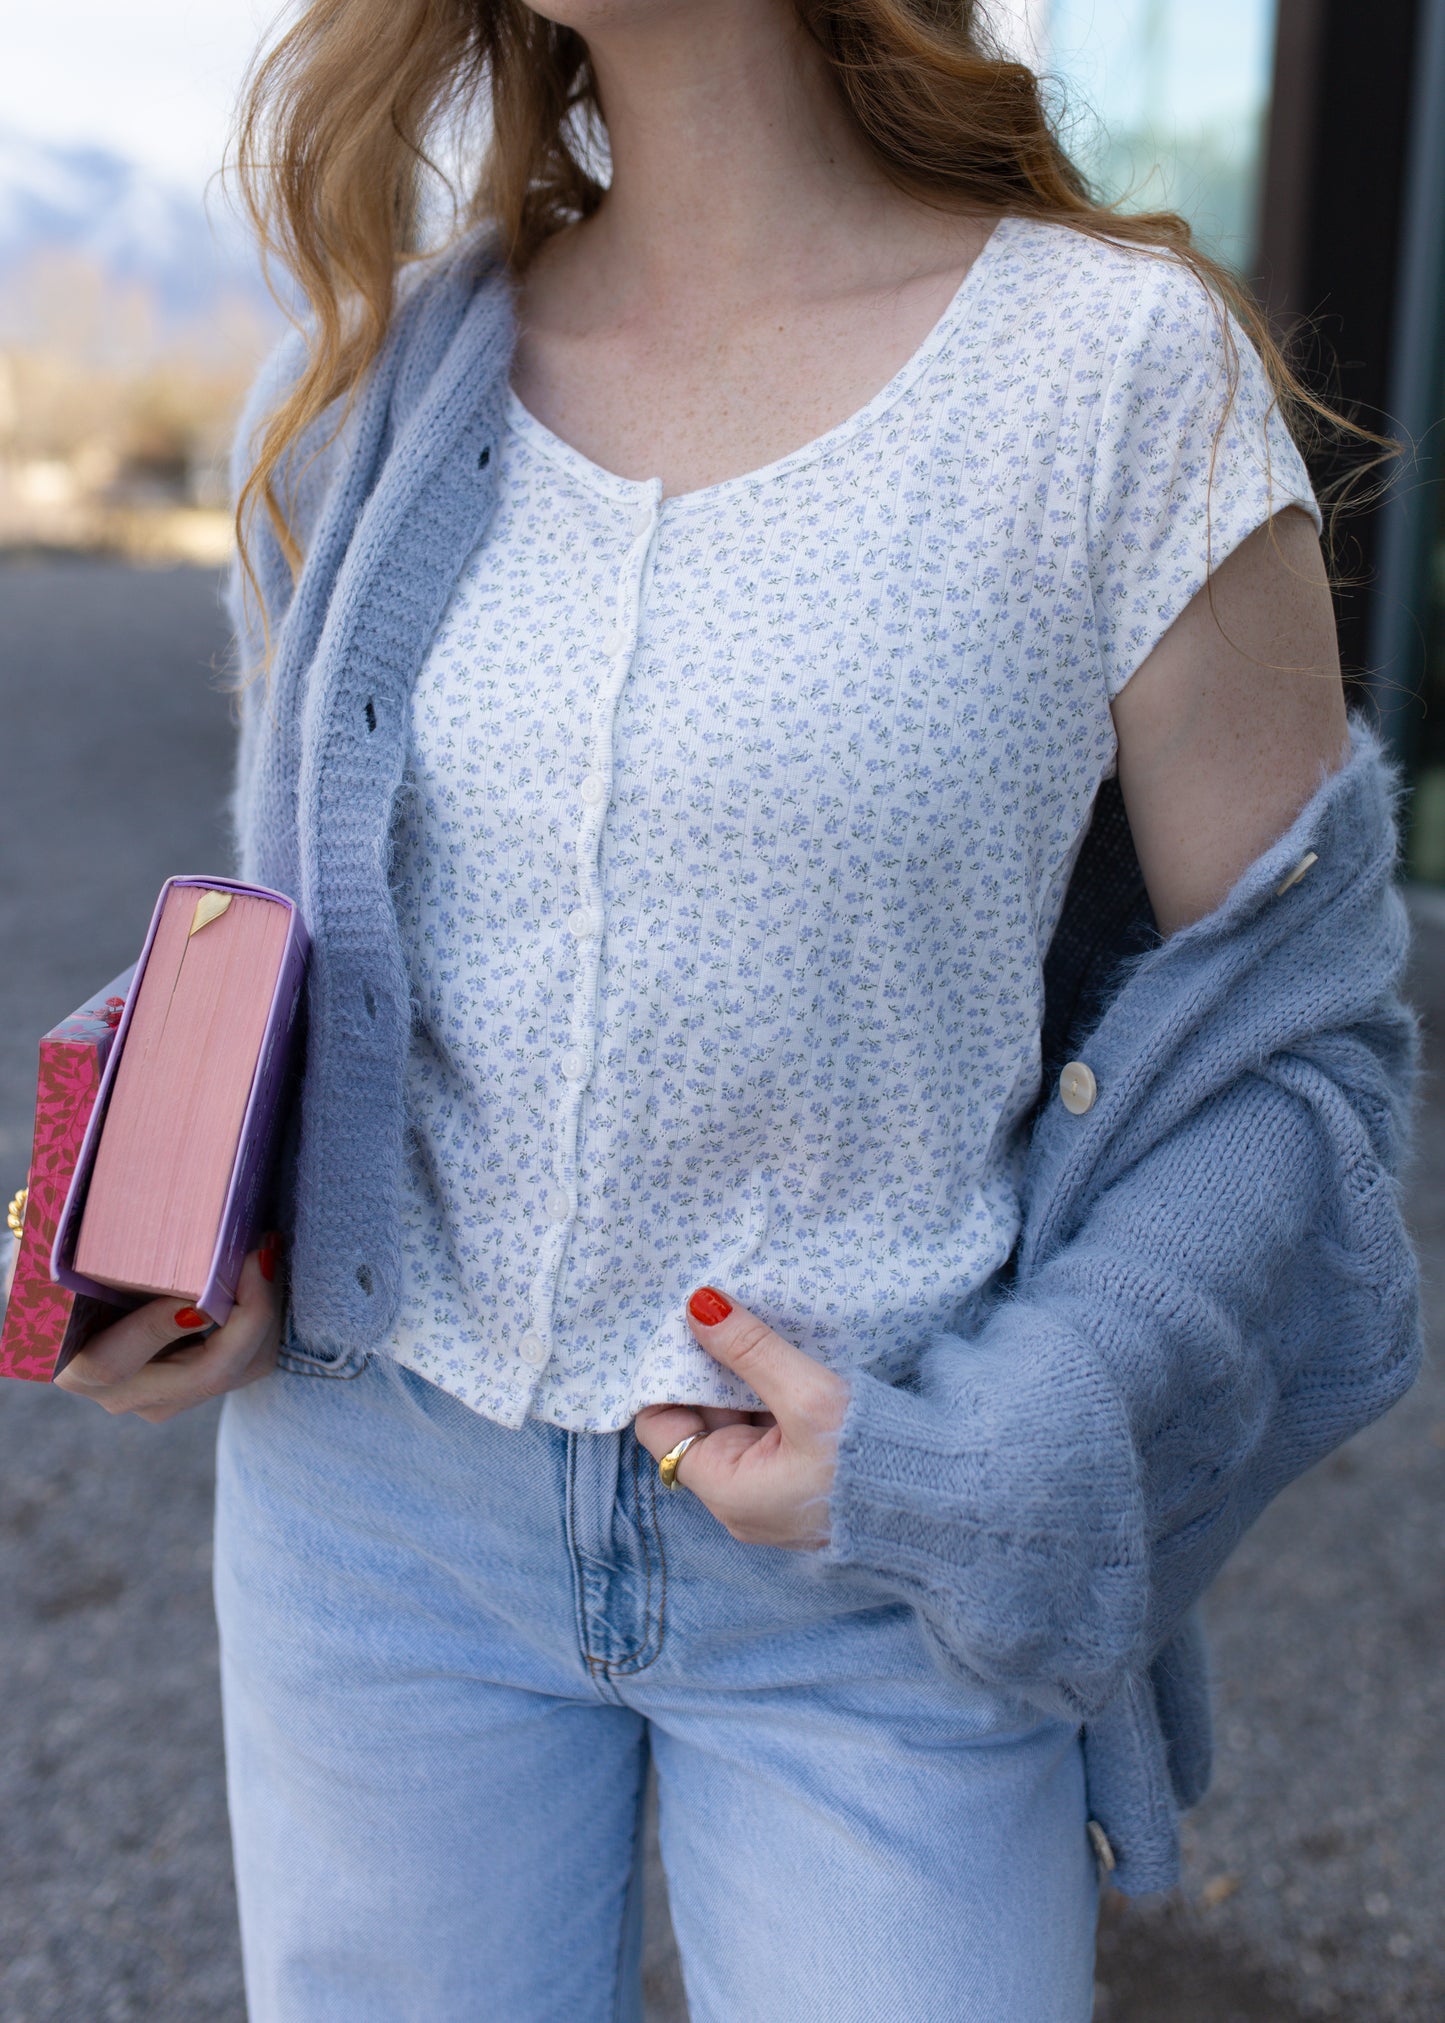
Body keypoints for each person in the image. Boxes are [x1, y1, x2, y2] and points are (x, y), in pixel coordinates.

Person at [52, 0, 1421, 2016]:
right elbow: (327, 940)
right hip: (377, 1518)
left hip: (881, 1559)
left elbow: (1301, 1054)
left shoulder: (1113, 376)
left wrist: (1019, 1437)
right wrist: (196, 1205)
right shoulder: (359, 390)